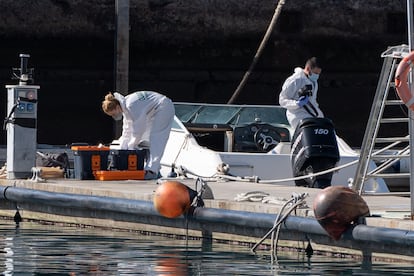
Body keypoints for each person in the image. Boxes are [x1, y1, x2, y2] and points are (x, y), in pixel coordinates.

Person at [102, 90, 175, 180]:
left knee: (156, 138)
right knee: (145, 140)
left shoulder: (131, 105)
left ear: (117, 107)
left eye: (113, 113)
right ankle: (155, 169)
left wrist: (131, 146)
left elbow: (139, 130)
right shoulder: (125, 105)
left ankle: (152, 171)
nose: (114, 116)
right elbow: (127, 129)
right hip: (153, 109)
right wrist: (123, 147)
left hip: (163, 107)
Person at [278, 57, 324, 130]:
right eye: (315, 73)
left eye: (318, 74)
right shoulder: (295, 80)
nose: (317, 76)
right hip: (297, 115)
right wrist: (297, 103)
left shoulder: (314, 81)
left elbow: (313, 101)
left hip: (313, 113)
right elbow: (282, 100)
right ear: (308, 69)